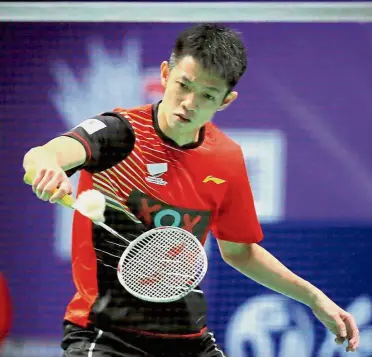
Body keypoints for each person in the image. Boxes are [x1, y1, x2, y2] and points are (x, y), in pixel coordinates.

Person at [22, 23, 359, 356]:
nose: (189, 103)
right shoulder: (119, 132)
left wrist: (316, 299)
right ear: (166, 74)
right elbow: (44, 154)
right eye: (184, 85)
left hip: (187, 339)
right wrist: (49, 166)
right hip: (106, 335)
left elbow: (240, 251)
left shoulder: (226, 159)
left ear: (226, 100)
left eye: (207, 95)